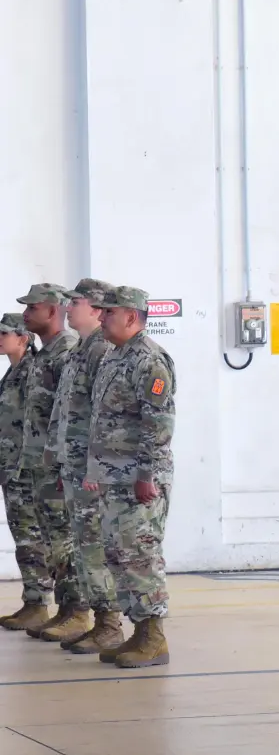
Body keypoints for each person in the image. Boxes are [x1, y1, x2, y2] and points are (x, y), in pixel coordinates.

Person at [85, 285, 175, 668]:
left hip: (139, 479)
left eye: (109, 312)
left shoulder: (149, 360)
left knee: (140, 554)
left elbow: (159, 423)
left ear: (132, 317)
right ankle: (138, 631)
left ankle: (154, 637)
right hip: (113, 477)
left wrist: (146, 474)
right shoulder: (114, 356)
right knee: (118, 554)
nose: (101, 317)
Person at [45, 278, 121, 654]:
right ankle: (87, 617)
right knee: (82, 546)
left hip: (91, 471)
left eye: (75, 303)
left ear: (95, 308)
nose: (68, 308)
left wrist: (96, 467)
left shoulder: (101, 351)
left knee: (95, 547)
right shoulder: (80, 350)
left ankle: (109, 625)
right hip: (73, 466)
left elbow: (104, 417)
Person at [12, 283, 80, 637]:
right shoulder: (43, 354)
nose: (25, 314)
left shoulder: (66, 352)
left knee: (65, 540)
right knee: (52, 541)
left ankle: (77, 612)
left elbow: (71, 414)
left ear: (53, 311)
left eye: (32, 308)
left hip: (57, 467)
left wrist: (63, 465)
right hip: (38, 466)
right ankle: (63, 609)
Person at [0, 312, 44, 630]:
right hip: (10, 467)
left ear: (23, 338)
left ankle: (40, 603)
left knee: (32, 537)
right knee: (23, 537)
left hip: (26, 470)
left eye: (4, 334)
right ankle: (33, 602)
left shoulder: (33, 372)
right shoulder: (12, 372)